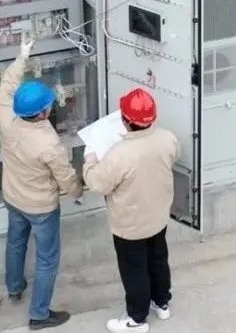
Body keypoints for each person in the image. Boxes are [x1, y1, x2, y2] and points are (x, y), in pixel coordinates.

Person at [0, 38, 83, 330]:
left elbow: (7, 85)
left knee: (15, 242)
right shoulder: (48, 143)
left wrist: (22, 57)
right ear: (43, 113)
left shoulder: (6, 117)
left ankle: (14, 288)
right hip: (41, 208)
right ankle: (39, 314)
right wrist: (78, 191)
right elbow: (65, 177)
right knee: (47, 260)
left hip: (13, 197)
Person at [83, 88, 181, 333]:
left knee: (134, 269)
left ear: (125, 121)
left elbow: (96, 183)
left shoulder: (119, 154)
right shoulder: (167, 138)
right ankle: (162, 302)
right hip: (158, 215)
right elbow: (174, 156)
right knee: (158, 259)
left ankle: (136, 319)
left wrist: (90, 159)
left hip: (130, 224)